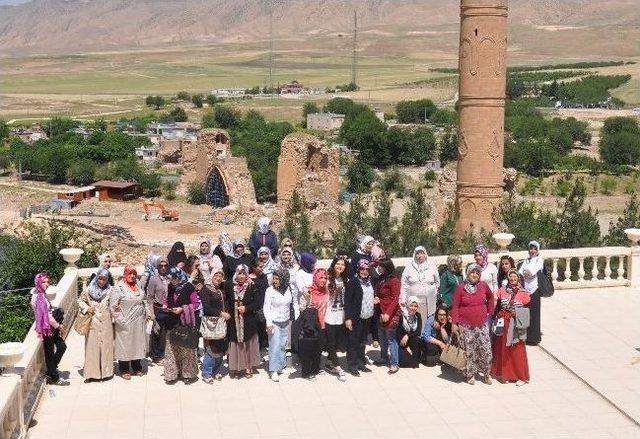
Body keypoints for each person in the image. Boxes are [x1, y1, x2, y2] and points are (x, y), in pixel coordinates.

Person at [451, 264, 495, 385]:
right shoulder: (461, 288)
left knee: (486, 350)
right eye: (472, 272)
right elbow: (455, 306)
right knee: (469, 351)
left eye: (477, 273)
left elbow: (491, 299)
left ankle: (486, 373)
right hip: (466, 325)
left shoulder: (483, 286)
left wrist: (489, 313)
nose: (474, 275)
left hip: (482, 324)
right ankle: (470, 374)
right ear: (468, 273)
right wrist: (454, 323)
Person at [491, 269, 531, 385]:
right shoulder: (502, 291)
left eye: (515, 277)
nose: (513, 279)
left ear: (518, 278)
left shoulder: (524, 293)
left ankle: (521, 376)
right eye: (511, 277)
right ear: (508, 278)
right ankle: (506, 373)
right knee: (504, 348)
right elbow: (496, 305)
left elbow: (528, 309)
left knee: (518, 348)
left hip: (517, 323)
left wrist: (517, 313)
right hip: (504, 322)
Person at [163, 267, 201, 383]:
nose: (171, 281)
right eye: (170, 278)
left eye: (173, 278)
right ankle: (172, 374)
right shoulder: (170, 287)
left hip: (184, 324)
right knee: (172, 349)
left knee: (186, 350)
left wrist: (182, 309)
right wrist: (165, 306)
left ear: (178, 276)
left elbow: (196, 304)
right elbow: (167, 300)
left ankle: (187, 374)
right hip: (172, 322)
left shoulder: (188, 287)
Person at [111, 265, 148, 380]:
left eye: (134, 274)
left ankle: (137, 366)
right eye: (129, 274)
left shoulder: (138, 285)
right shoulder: (119, 288)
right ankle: (124, 368)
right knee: (125, 345)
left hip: (138, 321)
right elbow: (113, 307)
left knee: (137, 343)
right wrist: (121, 320)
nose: (132, 276)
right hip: (125, 321)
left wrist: (148, 312)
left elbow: (143, 300)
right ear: (125, 275)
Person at [31, 273, 68, 385]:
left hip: (51, 327)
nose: (47, 284)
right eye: (44, 282)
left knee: (62, 347)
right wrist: (58, 326)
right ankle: (54, 377)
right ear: (38, 282)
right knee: (49, 353)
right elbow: (47, 316)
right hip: (46, 328)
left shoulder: (41, 294)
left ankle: (51, 370)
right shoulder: (38, 297)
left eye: (47, 281)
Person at [77, 269, 114, 382]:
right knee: (92, 347)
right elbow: (80, 301)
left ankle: (106, 373)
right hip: (93, 321)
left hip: (106, 322)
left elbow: (114, 303)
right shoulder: (88, 290)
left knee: (106, 347)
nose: (102, 281)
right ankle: (92, 373)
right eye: (100, 278)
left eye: (104, 279)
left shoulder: (110, 290)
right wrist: (87, 308)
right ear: (96, 277)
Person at [226, 265, 261, 378]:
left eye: (243, 273)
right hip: (234, 321)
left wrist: (246, 308)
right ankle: (237, 367)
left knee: (247, 343)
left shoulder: (251, 285)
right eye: (239, 273)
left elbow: (257, 302)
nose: (241, 276)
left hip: (248, 320)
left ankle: (248, 366)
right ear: (236, 274)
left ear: (247, 274)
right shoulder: (229, 285)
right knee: (236, 343)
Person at [199, 269, 230, 383]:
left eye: (220, 276)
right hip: (211, 324)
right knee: (211, 348)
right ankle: (207, 373)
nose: (218, 278)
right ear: (211, 276)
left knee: (221, 348)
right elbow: (207, 308)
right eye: (216, 275)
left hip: (222, 323)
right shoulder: (205, 289)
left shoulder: (221, 289)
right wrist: (222, 313)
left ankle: (215, 371)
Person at [344, 260, 374, 376]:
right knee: (353, 342)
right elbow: (347, 301)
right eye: (362, 269)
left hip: (367, 316)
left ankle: (361, 363)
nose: (365, 271)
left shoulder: (370, 282)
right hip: (355, 317)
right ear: (358, 269)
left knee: (362, 341)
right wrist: (348, 318)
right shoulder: (353, 282)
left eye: (367, 269)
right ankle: (352, 365)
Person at [263, 269, 293, 382]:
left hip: (285, 321)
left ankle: (280, 366)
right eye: (274, 278)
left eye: (277, 278)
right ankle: (273, 370)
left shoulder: (288, 289)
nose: (275, 281)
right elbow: (266, 307)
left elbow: (291, 304)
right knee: (274, 346)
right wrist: (269, 323)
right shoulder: (269, 290)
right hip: (274, 322)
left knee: (282, 345)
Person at [400, 246, 440, 324]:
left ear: (425, 254)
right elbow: (404, 284)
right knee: (415, 323)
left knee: (427, 323)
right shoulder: (409, 267)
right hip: (413, 302)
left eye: (422, 253)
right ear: (415, 255)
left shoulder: (432, 266)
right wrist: (403, 298)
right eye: (417, 253)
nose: (420, 256)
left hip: (428, 301)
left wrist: (433, 292)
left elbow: (437, 282)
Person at [375, 258, 401, 374]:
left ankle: (394, 363)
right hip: (380, 311)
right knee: (382, 336)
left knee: (391, 338)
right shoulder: (381, 278)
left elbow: (396, 299)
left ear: (386, 267)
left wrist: (388, 313)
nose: (378, 268)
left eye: (380, 266)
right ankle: (383, 357)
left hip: (391, 312)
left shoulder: (394, 280)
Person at [324, 256, 349, 380]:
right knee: (331, 343)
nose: (340, 266)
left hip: (341, 315)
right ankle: (338, 368)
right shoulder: (327, 278)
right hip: (329, 316)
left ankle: (330, 362)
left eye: (343, 264)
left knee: (337, 343)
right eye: (338, 264)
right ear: (333, 265)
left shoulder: (344, 279)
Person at [518, 241, 544, 346]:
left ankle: (533, 338)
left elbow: (531, 273)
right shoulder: (526, 260)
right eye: (531, 248)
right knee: (525, 313)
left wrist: (527, 273)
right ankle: (524, 336)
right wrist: (526, 273)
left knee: (534, 314)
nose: (532, 251)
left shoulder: (539, 260)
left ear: (537, 250)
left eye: (534, 249)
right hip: (525, 290)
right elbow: (521, 273)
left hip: (534, 290)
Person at [146, 257, 171, 363]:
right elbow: (150, 297)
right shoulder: (153, 279)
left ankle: (166, 353)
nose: (163, 268)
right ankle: (156, 356)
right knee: (157, 333)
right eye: (161, 265)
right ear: (157, 267)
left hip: (169, 310)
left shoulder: (170, 278)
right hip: (158, 309)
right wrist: (151, 313)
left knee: (167, 333)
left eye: (165, 265)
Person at [247, 259, 269, 350]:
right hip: (253, 308)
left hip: (263, 306)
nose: (261, 269)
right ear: (253, 267)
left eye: (262, 266)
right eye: (259, 267)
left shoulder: (264, 277)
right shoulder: (248, 278)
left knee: (262, 328)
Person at [397, 296, 423, 369]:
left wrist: (407, 335)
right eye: (411, 305)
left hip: (412, 340)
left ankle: (415, 360)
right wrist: (406, 346)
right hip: (402, 341)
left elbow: (418, 332)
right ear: (408, 305)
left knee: (416, 339)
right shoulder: (402, 316)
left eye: (415, 306)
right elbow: (398, 332)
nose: (413, 308)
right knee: (403, 362)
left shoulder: (418, 315)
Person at [293, 252, 316, 319]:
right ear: (307, 262)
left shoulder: (314, 272)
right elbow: (304, 291)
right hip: (304, 306)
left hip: (314, 304)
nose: (314, 265)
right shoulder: (299, 274)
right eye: (312, 263)